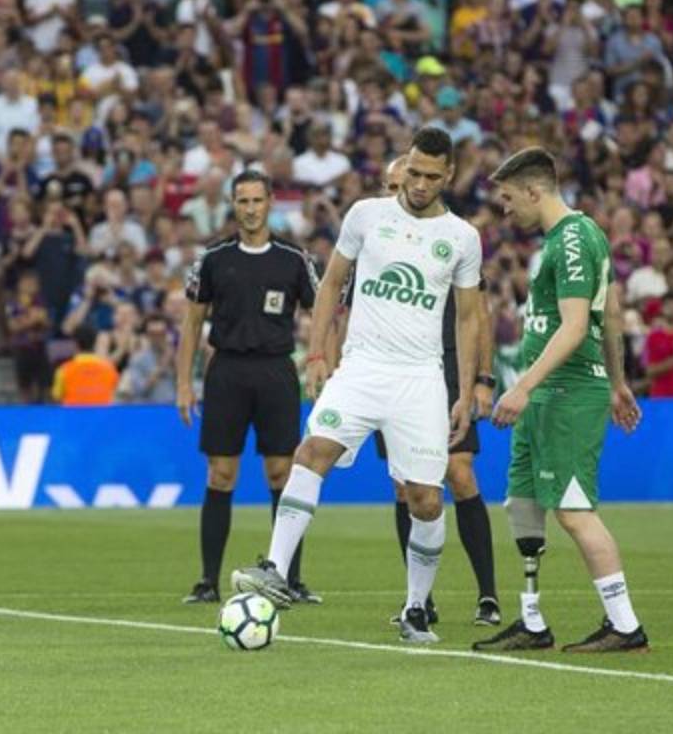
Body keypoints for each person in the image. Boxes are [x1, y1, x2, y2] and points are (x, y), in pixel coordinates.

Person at [232, 127, 482, 644]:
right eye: (412, 172)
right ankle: (276, 569)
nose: (418, 183)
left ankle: (416, 608)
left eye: (430, 176)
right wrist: (320, 352)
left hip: (420, 378)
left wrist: (467, 389)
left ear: (448, 177)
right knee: (312, 450)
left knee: (425, 500)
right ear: (404, 165)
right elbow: (331, 285)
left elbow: (470, 318)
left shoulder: (462, 237)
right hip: (362, 367)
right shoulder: (367, 215)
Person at [474, 147, 648, 653]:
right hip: (551, 394)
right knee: (523, 501)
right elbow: (610, 315)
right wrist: (618, 381)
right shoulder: (569, 239)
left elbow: (577, 327)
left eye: (509, 198)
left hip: (564, 393)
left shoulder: (572, 238)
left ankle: (625, 624)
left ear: (535, 191)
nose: (506, 210)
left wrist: (523, 385)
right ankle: (531, 621)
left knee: (573, 510)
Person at [338, 156, 501, 627]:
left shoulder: (453, 238)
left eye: (405, 180)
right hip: (391, 365)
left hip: (448, 362)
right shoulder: (376, 235)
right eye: (392, 183)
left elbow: (478, 315)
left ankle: (487, 594)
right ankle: (419, 599)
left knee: (460, 472)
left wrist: (482, 380)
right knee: (405, 486)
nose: (401, 190)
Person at [176, 168, 321, 605]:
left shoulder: (293, 260)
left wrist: (319, 361)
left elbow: (321, 314)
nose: (251, 209)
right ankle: (207, 581)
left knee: (282, 474)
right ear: (233, 204)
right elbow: (191, 324)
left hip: (277, 370)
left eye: (258, 201)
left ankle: (289, 578)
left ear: (270, 202)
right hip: (227, 372)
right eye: (243, 201)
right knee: (221, 474)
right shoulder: (214, 259)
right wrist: (184, 383)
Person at [51, 324, 119, 406]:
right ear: (95, 342)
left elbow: (56, 398)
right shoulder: (110, 370)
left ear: (75, 344)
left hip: (73, 417)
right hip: (102, 418)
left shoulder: (63, 370)